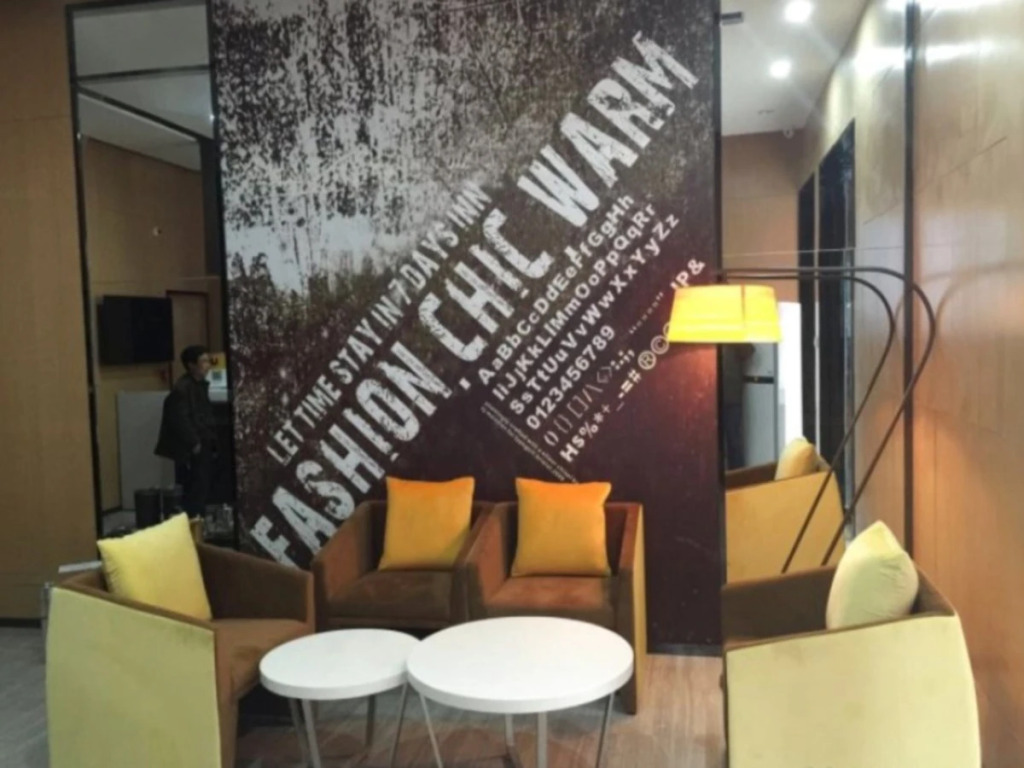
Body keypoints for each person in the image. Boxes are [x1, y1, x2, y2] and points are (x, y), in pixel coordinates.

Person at [155, 346, 216, 519]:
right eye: (203, 361)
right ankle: (193, 518)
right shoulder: (182, 389)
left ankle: (198, 518)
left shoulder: (198, 385)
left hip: (202, 440)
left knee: (202, 484)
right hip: (192, 446)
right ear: (191, 365)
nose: (207, 365)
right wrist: (194, 442)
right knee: (195, 486)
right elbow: (179, 419)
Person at [721, 343, 754, 470]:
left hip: (732, 397)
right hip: (709, 399)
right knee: (711, 444)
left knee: (734, 442)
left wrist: (733, 340)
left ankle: (737, 477)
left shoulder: (734, 336)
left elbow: (749, 350)